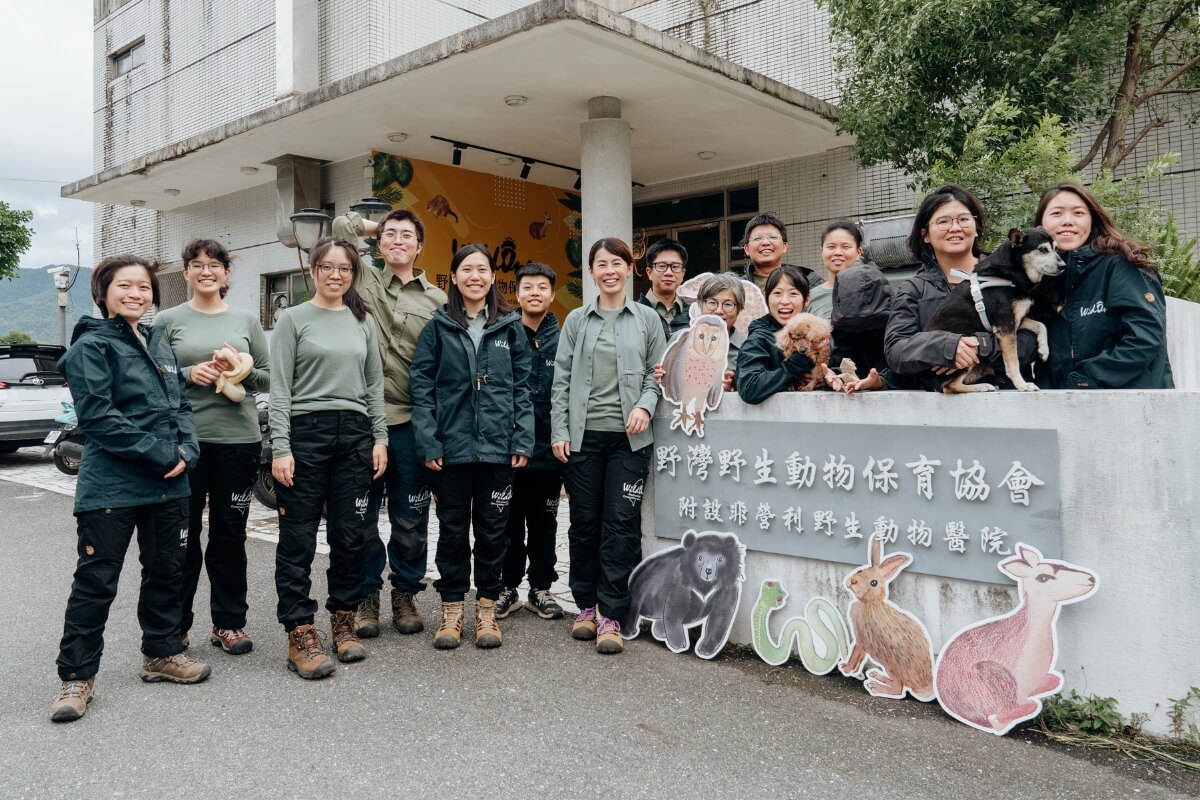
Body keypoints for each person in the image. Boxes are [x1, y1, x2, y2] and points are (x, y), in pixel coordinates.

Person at [50, 255, 208, 723]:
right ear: (103, 292)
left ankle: (160, 654)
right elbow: (99, 416)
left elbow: (179, 404)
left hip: (169, 486)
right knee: (96, 582)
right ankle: (76, 677)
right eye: (125, 286)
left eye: (143, 286)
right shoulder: (91, 346)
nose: (136, 293)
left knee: (167, 572)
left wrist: (187, 450)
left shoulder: (158, 342)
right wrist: (163, 455)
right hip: (112, 486)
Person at [270, 237, 388, 679]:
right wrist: (281, 446)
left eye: (345, 268)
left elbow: (373, 385)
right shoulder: (293, 318)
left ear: (353, 274)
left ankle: (343, 619)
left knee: (350, 534)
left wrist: (380, 438)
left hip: (355, 436)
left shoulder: (362, 320)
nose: (336, 275)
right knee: (298, 538)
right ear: (313, 271)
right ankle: (300, 631)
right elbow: (279, 387)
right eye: (327, 267)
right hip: (307, 434)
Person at [410, 245, 533, 649]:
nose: (475, 276)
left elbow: (522, 389)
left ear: (493, 277)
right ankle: (450, 610)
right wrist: (429, 440)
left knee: (494, 533)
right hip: (451, 448)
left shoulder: (510, 326)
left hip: (498, 447)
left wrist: (522, 438)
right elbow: (422, 388)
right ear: (455, 277)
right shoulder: (439, 326)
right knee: (451, 532)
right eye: (467, 270)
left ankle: (485, 609)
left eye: (483, 269)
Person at [332, 209, 446, 639]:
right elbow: (341, 229)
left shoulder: (437, 300)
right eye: (390, 235)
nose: (397, 241)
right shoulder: (362, 278)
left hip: (413, 422)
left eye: (407, 236)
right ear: (379, 243)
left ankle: (405, 593)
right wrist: (378, 227)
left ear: (421, 246)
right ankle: (366, 595)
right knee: (360, 517)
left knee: (411, 515)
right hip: (362, 420)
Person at [154, 239, 269, 656]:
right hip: (185, 443)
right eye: (198, 265)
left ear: (226, 274)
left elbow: (271, 378)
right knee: (182, 537)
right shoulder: (166, 320)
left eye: (215, 265)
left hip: (238, 441)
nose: (207, 271)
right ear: (185, 273)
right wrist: (189, 372)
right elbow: (151, 378)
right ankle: (175, 626)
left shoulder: (245, 320)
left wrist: (241, 371)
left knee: (229, 536)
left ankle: (229, 623)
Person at [551, 237, 666, 655]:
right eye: (602, 263)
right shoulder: (577, 321)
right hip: (582, 440)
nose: (610, 270)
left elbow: (660, 373)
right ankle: (585, 606)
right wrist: (559, 431)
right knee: (583, 524)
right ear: (592, 271)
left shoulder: (648, 319)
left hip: (629, 440)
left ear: (630, 268)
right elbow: (560, 380)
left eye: (617, 262)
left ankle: (613, 614)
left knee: (620, 524)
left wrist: (646, 406)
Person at [884, 184, 1041, 391]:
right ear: (926, 234)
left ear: (976, 228)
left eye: (964, 219)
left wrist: (981, 346)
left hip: (1009, 399)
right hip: (941, 407)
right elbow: (896, 350)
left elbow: (1029, 344)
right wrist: (946, 346)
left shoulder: (1014, 278)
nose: (955, 228)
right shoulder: (913, 290)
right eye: (943, 221)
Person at [1034, 182, 1173, 389]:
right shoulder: (1042, 281)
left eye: (1078, 213)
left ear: (1092, 220)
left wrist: (1082, 379)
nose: (1067, 222)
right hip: (1064, 409)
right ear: (1041, 225)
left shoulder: (1120, 265)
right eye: (1056, 214)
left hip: (1130, 406)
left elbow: (1145, 338)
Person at [497, 263, 565, 621]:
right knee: (508, 521)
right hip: (510, 449)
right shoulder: (505, 334)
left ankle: (541, 587)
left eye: (542, 286)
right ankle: (507, 587)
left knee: (544, 522)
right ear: (517, 293)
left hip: (550, 450)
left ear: (552, 295)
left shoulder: (565, 337)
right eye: (527, 287)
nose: (534, 292)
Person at [811, 222, 890, 393]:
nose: (838, 252)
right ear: (821, 251)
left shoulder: (876, 293)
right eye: (831, 246)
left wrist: (882, 379)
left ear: (858, 252)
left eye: (845, 246)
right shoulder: (808, 298)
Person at [734, 265, 819, 403]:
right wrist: (794, 366)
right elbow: (749, 387)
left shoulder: (818, 333)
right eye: (777, 293)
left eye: (793, 294)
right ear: (767, 298)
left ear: (807, 299)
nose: (784, 301)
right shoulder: (759, 339)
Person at [730, 213, 815, 294]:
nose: (766, 242)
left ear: (784, 246)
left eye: (773, 237)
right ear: (747, 249)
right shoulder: (736, 288)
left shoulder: (809, 282)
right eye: (757, 238)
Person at [696, 272, 748, 390]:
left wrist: (736, 382)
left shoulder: (749, 348)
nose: (719, 311)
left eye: (728, 304)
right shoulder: (681, 341)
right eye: (712, 303)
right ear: (700, 305)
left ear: (738, 309)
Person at [638, 239, 691, 339]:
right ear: (649, 273)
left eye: (675, 267)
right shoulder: (635, 313)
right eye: (662, 266)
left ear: (683, 274)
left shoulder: (694, 315)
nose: (669, 273)